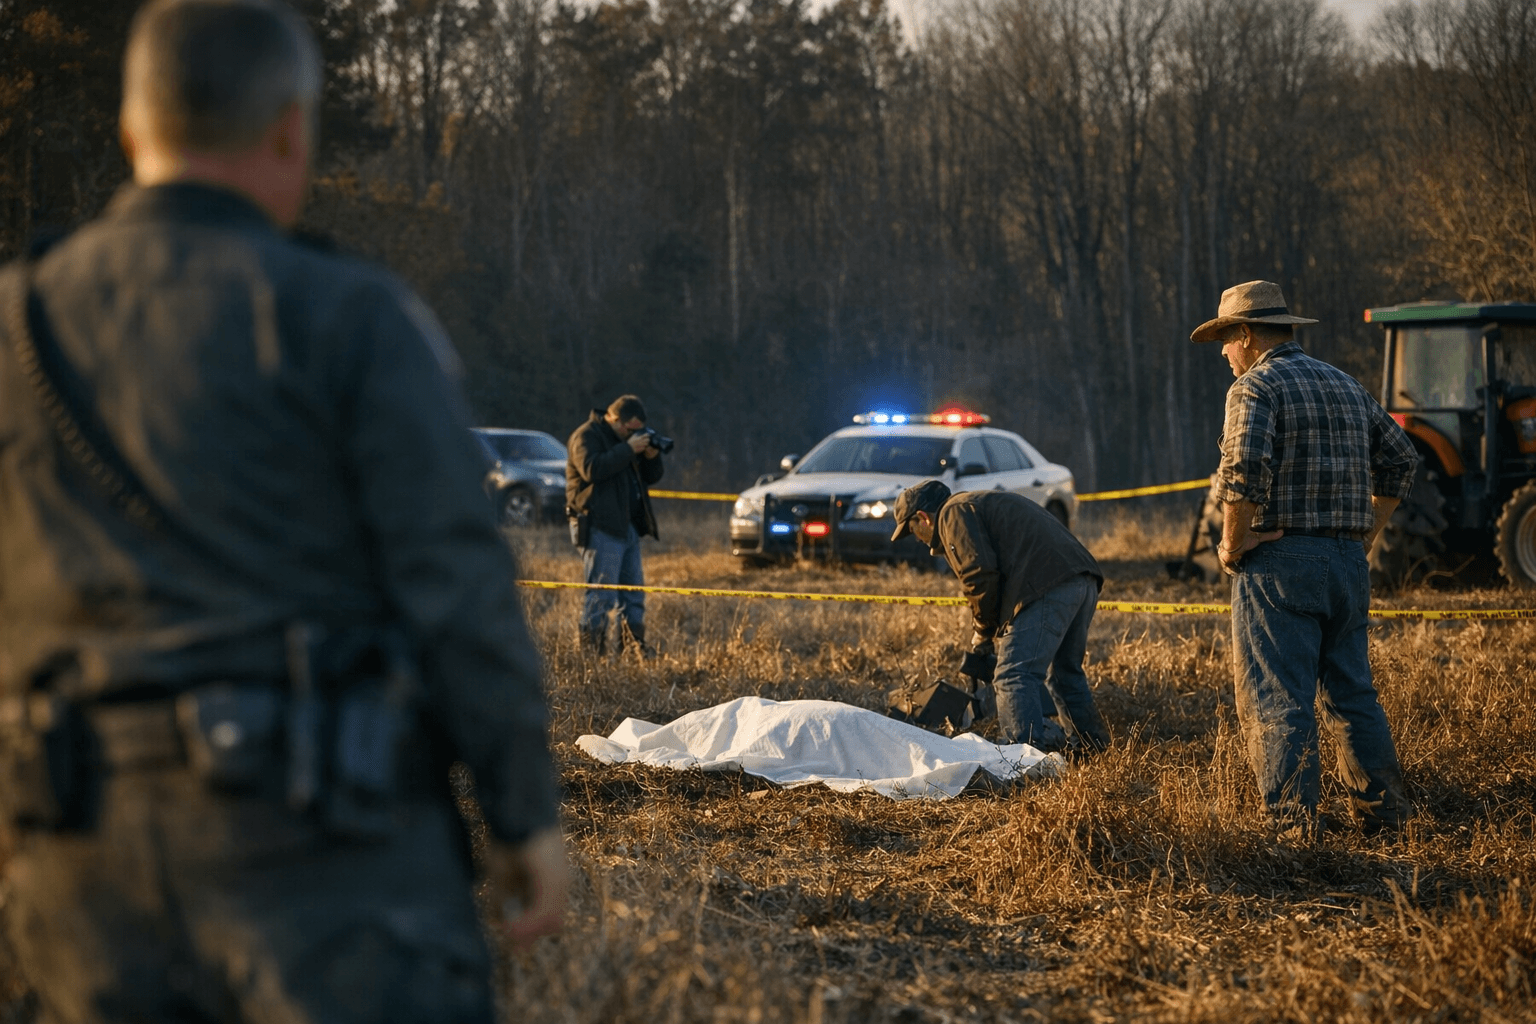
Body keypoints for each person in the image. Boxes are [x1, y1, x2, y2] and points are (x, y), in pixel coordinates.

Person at [0, 2, 566, 1021]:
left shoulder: (17, 327)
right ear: (293, 130)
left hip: (79, 861)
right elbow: (459, 584)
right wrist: (522, 812)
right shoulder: (351, 318)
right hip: (324, 857)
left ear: (131, 133)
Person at [1193, 279, 1419, 834]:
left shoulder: (1252, 389)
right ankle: (1387, 817)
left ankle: (1293, 829)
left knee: (1277, 697)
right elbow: (1401, 460)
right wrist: (1364, 535)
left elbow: (1243, 473)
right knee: (1353, 694)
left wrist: (1230, 544)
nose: (1224, 353)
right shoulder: (1345, 385)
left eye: (1226, 339)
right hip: (1346, 565)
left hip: (1279, 567)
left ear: (1245, 334)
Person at [890, 480, 1112, 754]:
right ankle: (1091, 752)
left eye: (912, 531)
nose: (918, 539)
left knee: (1013, 675)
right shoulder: (976, 503)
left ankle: (1020, 761)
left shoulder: (952, 513)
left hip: (1048, 583)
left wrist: (983, 629)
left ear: (922, 517)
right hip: (1082, 578)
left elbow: (980, 575)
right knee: (1065, 675)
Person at [566, 395, 665, 655]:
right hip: (599, 526)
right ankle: (591, 656)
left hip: (627, 527)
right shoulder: (585, 436)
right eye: (631, 429)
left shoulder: (626, 440)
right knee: (602, 595)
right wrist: (629, 449)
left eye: (639, 430)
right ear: (614, 419)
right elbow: (591, 469)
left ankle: (632, 650)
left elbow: (651, 477)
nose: (635, 434)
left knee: (633, 595)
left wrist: (651, 457)